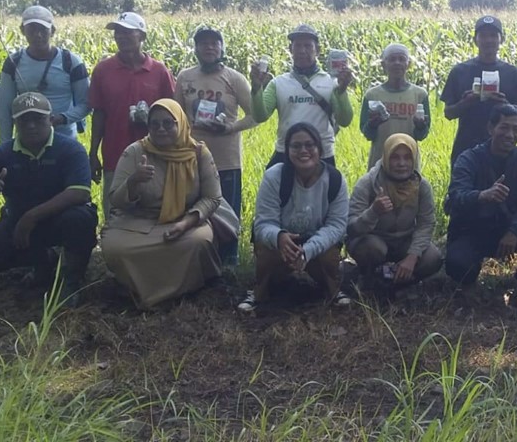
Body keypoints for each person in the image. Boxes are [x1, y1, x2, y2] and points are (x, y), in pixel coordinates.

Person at [0, 92, 98, 306]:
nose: (31, 126)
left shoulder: (70, 149)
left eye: (38, 119)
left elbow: (79, 192)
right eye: (24, 120)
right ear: (15, 123)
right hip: (18, 222)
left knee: (80, 219)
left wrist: (31, 217)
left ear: (50, 119)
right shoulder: (1, 154)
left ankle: (71, 280)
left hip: (59, 219)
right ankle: (44, 262)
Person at [101, 99, 234, 309]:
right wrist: (133, 182)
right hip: (140, 220)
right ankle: (132, 289)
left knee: (199, 241)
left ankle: (191, 289)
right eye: (154, 124)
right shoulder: (134, 152)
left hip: (185, 219)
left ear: (180, 123)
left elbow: (212, 197)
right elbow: (115, 200)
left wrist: (186, 223)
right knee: (114, 246)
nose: (161, 129)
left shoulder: (198, 153)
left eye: (167, 123)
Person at [445, 104, 517, 305]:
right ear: (490, 129)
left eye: (516, 129)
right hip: (472, 230)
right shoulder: (469, 158)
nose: (510, 134)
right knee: (458, 265)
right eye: (504, 127)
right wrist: (482, 195)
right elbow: (456, 196)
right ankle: (469, 279)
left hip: (509, 228)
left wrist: (516, 231)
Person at [240, 122, 350, 310]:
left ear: (319, 149)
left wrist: (309, 250)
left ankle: (332, 290)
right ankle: (259, 292)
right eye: (296, 146)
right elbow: (263, 223)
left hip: (317, 241)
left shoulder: (335, 179)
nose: (303, 151)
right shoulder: (274, 177)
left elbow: (337, 226)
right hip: (283, 241)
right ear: (287, 150)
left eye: (310, 145)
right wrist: (279, 237)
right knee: (265, 248)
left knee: (329, 255)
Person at [175, 25, 256, 265]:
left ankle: (229, 262)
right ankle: (197, 260)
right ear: (196, 48)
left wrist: (229, 127)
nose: (209, 47)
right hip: (191, 157)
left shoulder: (234, 78)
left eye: (214, 43)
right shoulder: (185, 77)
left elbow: (255, 116)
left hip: (226, 159)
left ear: (222, 48)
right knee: (193, 210)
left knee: (226, 213)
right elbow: (176, 115)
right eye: (203, 43)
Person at [88, 12, 175, 219]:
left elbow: (173, 112)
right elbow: (98, 113)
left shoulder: (159, 71)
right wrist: (93, 153)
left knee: (154, 208)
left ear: (142, 36)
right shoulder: (103, 70)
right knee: (115, 209)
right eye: (118, 32)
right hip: (115, 153)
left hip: (155, 153)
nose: (121, 36)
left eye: (128, 32)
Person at [249, 24, 354, 169]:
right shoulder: (278, 83)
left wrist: (342, 91)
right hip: (286, 154)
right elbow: (260, 116)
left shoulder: (332, 82)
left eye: (308, 46)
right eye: (297, 46)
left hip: (322, 155)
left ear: (318, 50)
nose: (302, 50)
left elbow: (345, 120)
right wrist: (256, 88)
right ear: (290, 49)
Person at [347, 134, 442, 290]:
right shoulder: (368, 183)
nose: (401, 163)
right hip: (374, 240)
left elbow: (426, 224)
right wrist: (373, 212)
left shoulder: (421, 186)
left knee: (433, 257)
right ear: (385, 158)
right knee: (373, 248)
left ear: (414, 159)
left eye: (407, 158)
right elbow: (351, 228)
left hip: (404, 241)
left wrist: (412, 257)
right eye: (395, 157)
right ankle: (369, 278)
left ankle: (399, 283)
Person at [441, 15, 517, 165]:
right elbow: (448, 113)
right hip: (466, 147)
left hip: (502, 149)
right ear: (475, 40)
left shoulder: (512, 73)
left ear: (502, 39)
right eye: (483, 35)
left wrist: (505, 105)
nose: (488, 40)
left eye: (493, 35)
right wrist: (466, 103)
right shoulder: (460, 71)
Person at [0, 5, 90, 143]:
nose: (38, 35)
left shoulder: (71, 62)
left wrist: (62, 118)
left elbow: (86, 104)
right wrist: (5, 145)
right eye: (32, 29)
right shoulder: (13, 63)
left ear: (53, 31)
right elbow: (5, 109)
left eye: (43, 29)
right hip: (27, 141)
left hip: (64, 140)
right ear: (22, 30)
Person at [359, 43, 431, 170]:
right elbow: (367, 133)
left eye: (402, 59)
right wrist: (372, 125)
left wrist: (420, 127)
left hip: (408, 164)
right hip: (379, 162)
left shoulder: (420, 95)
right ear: (383, 65)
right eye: (392, 59)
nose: (397, 63)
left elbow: (422, 135)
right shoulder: (372, 95)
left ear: (408, 64)